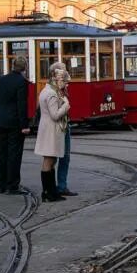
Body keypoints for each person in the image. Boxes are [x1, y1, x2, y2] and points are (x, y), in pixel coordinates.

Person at [34, 67, 70, 202]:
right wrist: (65, 106)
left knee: (51, 160)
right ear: (54, 78)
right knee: (49, 160)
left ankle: (51, 191)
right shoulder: (51, 94)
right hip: (51, 130)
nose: (64, 82)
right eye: (62, 79)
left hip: (48, 129)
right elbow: (55, 115)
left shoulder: (47, 90)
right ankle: (48, 193)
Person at [0, 55, 30, 195]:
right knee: (14, 154)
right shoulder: (22, 82)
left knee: (2, 153)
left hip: (2, 121)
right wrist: (24, 125)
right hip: (15, 123)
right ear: (25, 68)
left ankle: (1, 185)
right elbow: (21, 104)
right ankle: (13, 185)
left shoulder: (2, 80)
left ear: (12, 65)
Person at [49, 62, 78, 197]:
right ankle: (55, 187)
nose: (66, 76)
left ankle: (61, 185)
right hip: (58, 127)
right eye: (63, 73)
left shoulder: (62, 88)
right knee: (55, 157)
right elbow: (55, 113)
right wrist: (66, 106)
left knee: (65, 156)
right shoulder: (52, 91)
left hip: (65, 125)